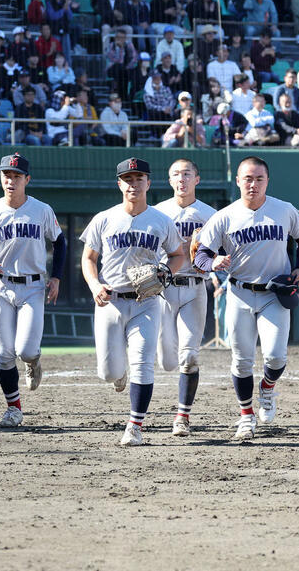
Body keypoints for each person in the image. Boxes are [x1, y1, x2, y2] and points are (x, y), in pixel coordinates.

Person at [194, 157, 299, 440]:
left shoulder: (283, 210)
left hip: (274, 293)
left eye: (259, 178)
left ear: (267, 181)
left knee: (275, 355)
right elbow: (200, 255)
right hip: (239, 293)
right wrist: (214, 262)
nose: (253, 184)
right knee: (242, 360)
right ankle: (246, 416)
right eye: (248, 178)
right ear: (237, 180)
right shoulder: (224, 216)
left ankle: (268, 388)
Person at [80, 158, 184, 446]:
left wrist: (165, 271)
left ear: (148, 183)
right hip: (110, 301)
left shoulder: (162, 220)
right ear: (119, 184)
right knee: (108, 372)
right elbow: (88, 259)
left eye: (139, 178)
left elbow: (178, 255)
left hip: (147, 300)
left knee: (143, 363)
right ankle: (118, 374)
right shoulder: (104, 218)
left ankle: (135, 426)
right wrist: (93, 284)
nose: (133, 184)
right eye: (127, 179)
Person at [0, 153, 65, 428]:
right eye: (6, 175)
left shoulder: (41, 210)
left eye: (16, 176)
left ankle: (33, 361)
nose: (10, 180)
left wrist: (57, 277)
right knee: (3, 352)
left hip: (34, 286)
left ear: (27, 179)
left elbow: (59, 243)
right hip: (1, 285)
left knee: (25, 350)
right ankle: (13, 408)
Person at [152, 159, 216, 436]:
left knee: (189, 357)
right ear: (169, 181)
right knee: (168, 362)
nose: (182, 179)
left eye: (187, 174)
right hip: (162, 290)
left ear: (197, 179)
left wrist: (215, 258)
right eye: (176, 174)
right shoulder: (156, 212)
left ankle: (182, 416)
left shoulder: (211, 214)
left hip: (194, 287)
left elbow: (221, 248)